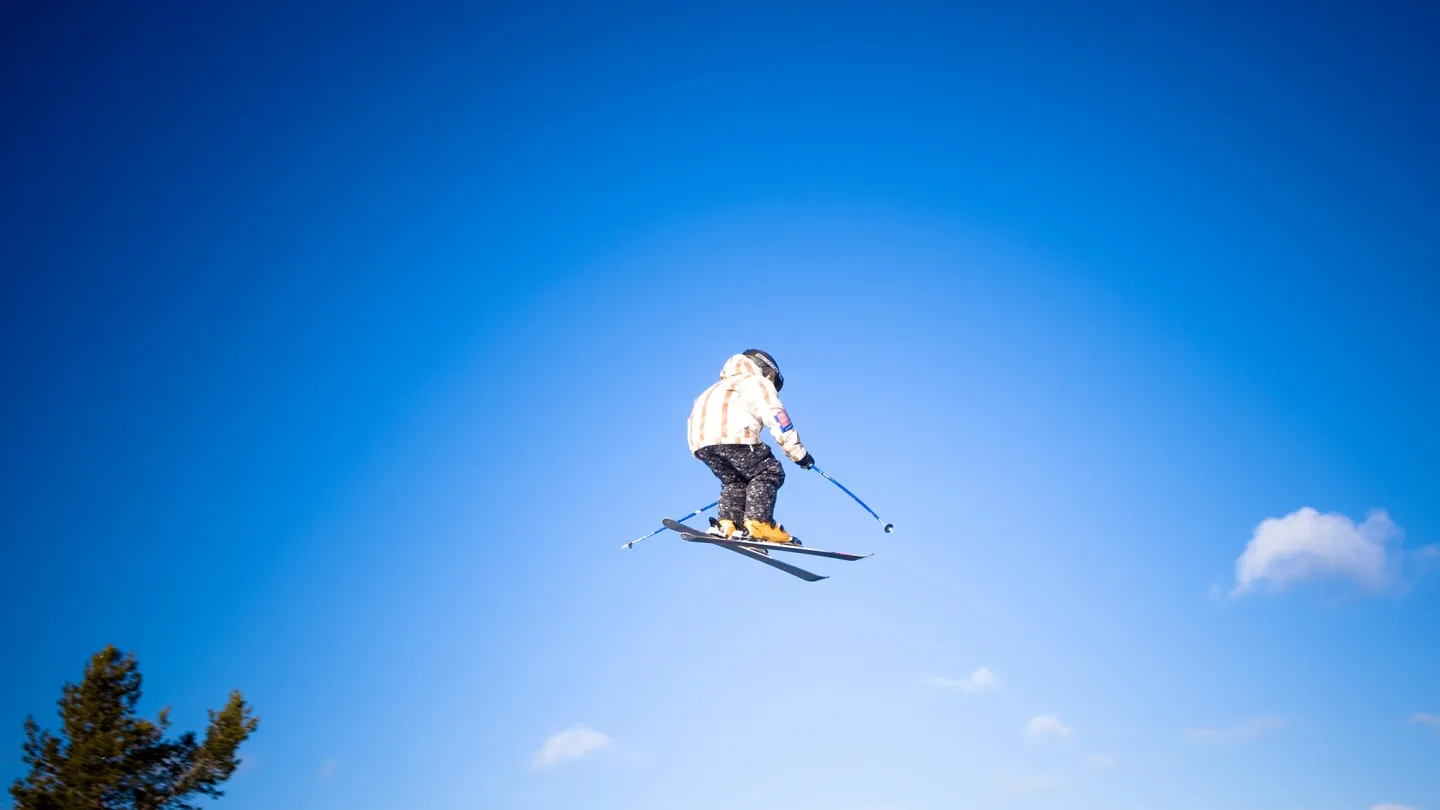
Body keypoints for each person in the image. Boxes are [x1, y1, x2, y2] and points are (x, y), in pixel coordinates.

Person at [687, 349, 814, 545]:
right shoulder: (756, 381)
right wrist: (799, 454)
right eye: (772, 379)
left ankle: (729, 524)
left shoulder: (712, 388)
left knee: (735, 481)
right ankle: (758, 523)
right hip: (735, 437)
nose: (771, 384)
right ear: (765, 370)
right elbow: (777, 416)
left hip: (702, 443)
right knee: (768, 472)